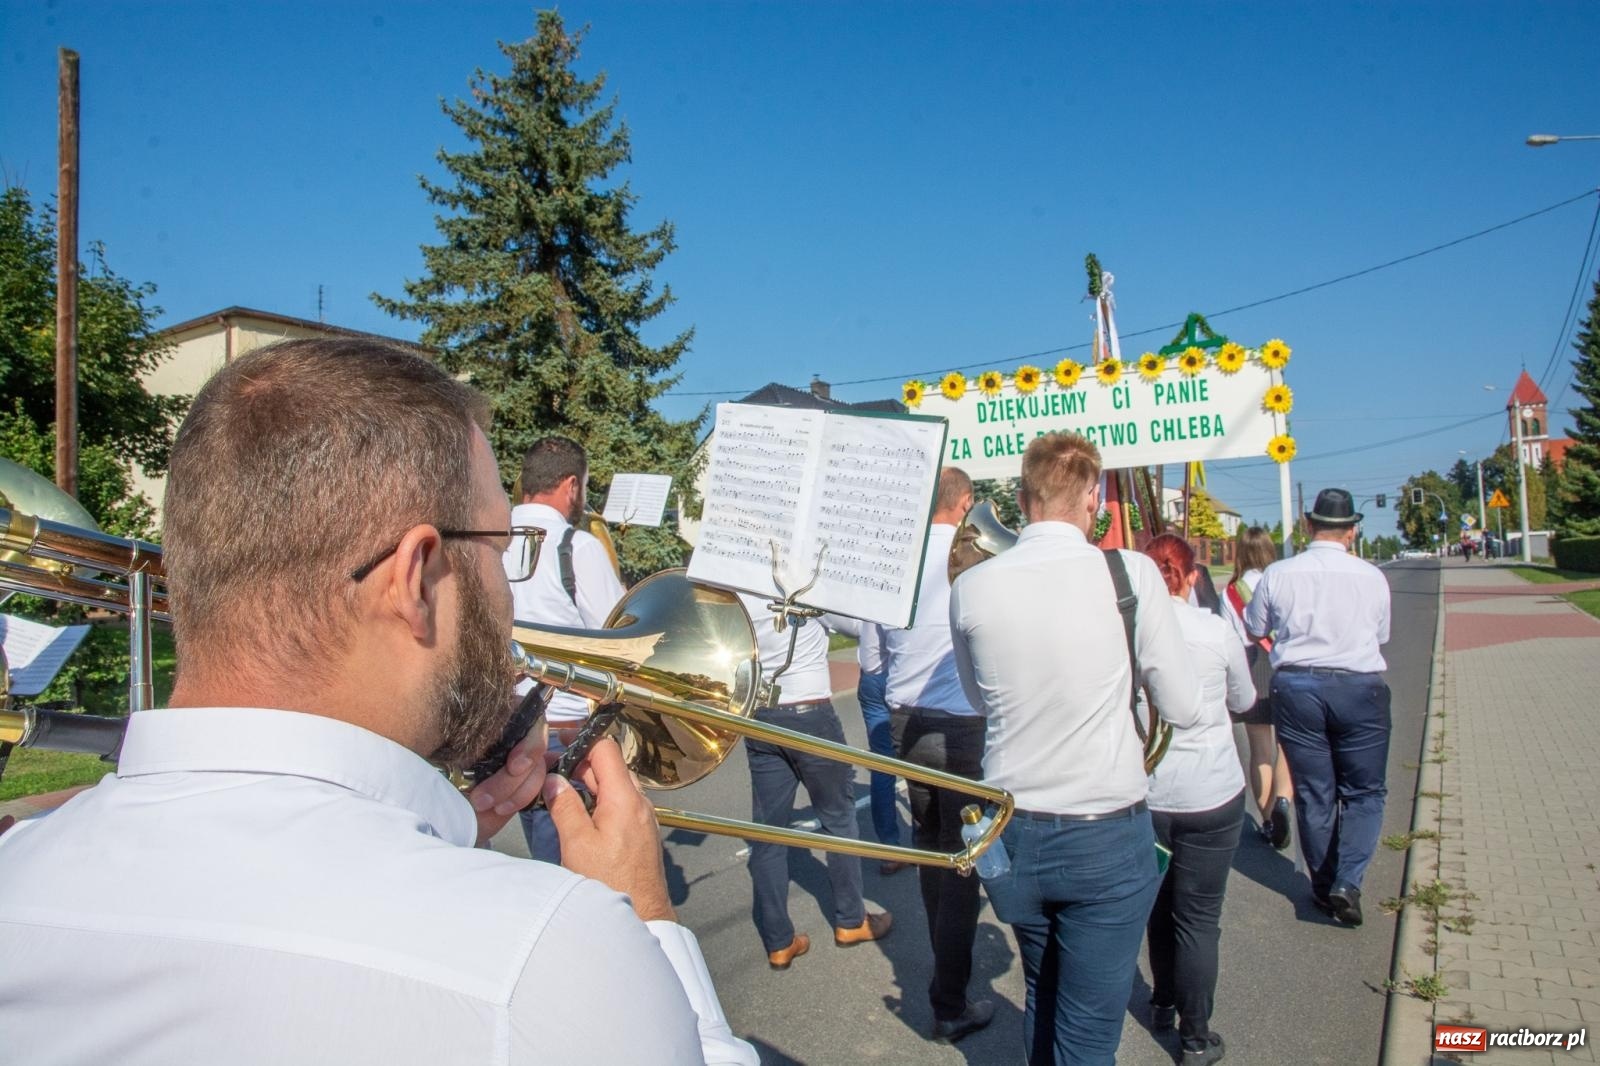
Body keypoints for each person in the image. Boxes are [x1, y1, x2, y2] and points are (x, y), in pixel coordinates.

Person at [0, 339, 755, 1064]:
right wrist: (649, 925)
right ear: (417, 575)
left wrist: (443, 846)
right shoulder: (550, 954)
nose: (506, 586)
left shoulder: (16, 870)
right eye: (499, 550)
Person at [949, 432, 1202, 1066]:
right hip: (1105, 836)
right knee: (1088, 1034)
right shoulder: (1131, 572)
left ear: (1026, 494)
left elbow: (980, 701)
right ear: (1092, 496)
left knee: (1045, 992)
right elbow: (1184, 708)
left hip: (1011, 832)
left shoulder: (971, 587)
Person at [1244, 488, 1393, 928]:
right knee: (1364, 792)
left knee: (1315, 792)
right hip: (1358, 686)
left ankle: (1323, 884)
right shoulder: (1371, 576)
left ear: (1309, 527)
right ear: (1352, 531)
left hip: (1298, 685)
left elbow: (1256, 626)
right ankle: (1348, 881)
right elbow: (1381, 634)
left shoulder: (1279, 573)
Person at [883, 467, 994, 1044]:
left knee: (930, 848)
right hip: (963, 728)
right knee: (964, 858)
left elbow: (875, 656)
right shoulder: (975, 558)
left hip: (906, 721)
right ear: (966, 503)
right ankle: (950, 999)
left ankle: (945, 982)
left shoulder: (895, 560)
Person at [733, 589, 893, 969]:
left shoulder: (732, 583)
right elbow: (855, 625)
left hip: (759, 712)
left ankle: (779, 941)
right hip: (810, 710)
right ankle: (851, 920)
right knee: (838, 819)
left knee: (769, 831)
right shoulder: (801, 576)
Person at [1142, 534, 1254, 1066]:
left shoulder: (1129, 633)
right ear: (1190, 577)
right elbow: (1245, 698)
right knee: (1199, 917)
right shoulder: (1214, 630)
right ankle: (1195, 1035)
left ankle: (1163, 999)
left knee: (1158, 908)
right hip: (1211, 791)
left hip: (1148, 791)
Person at [505, 436, 627, 861]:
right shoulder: (577, 546)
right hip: (564, 728)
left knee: (538, 831)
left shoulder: (491, 539)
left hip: (504, 721)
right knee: (568, 853)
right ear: (572, 486)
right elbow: (618, 637)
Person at [1221, 525, 1294, 850]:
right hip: (1282, 664)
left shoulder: (1232, 592)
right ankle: (1282, 801)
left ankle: (1267, 820)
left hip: (1250, 668)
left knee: (1260, 749)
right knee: (1287, 748)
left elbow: (1231, 637)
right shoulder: (1281, 582)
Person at [820, 614, 905, 869]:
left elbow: (848, 623)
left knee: (882, 766)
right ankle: (930, 843)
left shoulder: (875, 592)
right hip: (899, 674)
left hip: (870, 676)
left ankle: (889, 848)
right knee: (919, 762)